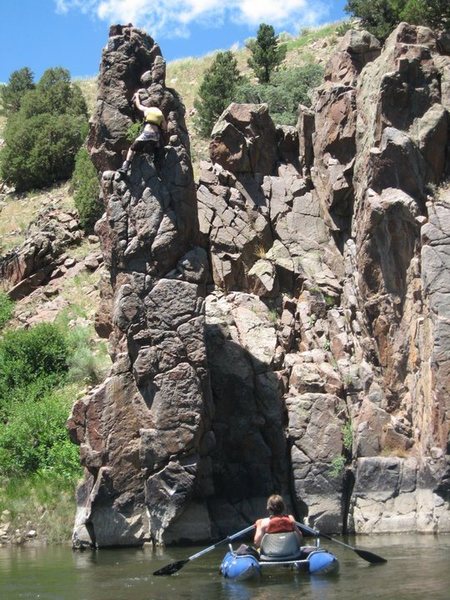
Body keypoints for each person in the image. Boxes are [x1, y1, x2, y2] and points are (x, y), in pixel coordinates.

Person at [118, 91, 167, 174]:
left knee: (132, 148)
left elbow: (139, 106)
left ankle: (125, 167)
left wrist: (137, 96)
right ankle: (157, 163)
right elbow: (164, 127)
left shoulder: (148, 110)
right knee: (156, 148)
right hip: (156, 136)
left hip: (147, 134)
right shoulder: (160, 114)